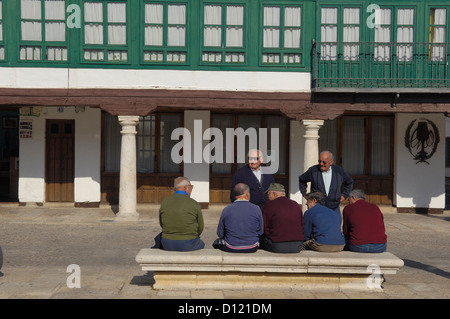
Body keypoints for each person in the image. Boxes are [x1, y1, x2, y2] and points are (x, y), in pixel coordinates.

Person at [298, 150, 353, 224]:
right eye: (319, 161)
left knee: (335, 229)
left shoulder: (338, 171)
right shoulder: (313, 170)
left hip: (334, 208)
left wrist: (345, 195)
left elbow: (349, 182)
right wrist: (305, 195)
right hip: (318, 208)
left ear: (331, 162)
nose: (321, 164)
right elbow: (302, 180)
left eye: (324, 162)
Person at [154, 177, 205, 251]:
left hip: (167, 243)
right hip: (188, 243)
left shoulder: (165, 201)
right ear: (186, 188)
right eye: (191, 187)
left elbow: (161, 223)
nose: (191, 190)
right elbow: (200, 226)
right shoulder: (193, 203)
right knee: (201, 244)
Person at [213, 183, 263, 253]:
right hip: (252, 246)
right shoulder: (257, 209)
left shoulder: (226, 209)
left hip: (231, 246)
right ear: (247, 194)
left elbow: (220, 233)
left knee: (215, 243)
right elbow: (260, 231)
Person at [259, 183, 304, 253]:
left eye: (268, 194)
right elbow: (302, 224)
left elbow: (265, 228)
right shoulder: (295, 204)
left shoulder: (269, 205)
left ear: (274, 194)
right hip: (297, 246)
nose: (267, 198)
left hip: (277, 245)